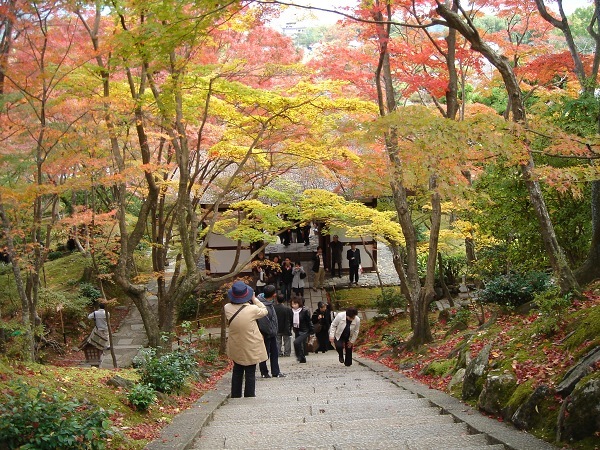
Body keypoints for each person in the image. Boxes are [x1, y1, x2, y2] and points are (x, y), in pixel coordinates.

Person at [224, 281, 268, 398]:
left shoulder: (227, 308)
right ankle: (249, 395)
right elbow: (264, 310)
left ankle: (235, 395)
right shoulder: (252, 309)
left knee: (237, 370)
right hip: (250, 343)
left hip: (236, 344)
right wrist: (254, 299)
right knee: (250, 371)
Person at [257, 285, 285, 378]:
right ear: (273, 294)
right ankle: (264, 372)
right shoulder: (263, 305)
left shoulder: (268, 302)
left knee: (275, 352)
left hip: (272, 333)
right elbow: (264, 322)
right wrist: (270, 331)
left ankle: (275, 371)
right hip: (266, 333)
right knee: (265, 353)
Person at [291, 297, 313, 363]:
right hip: (297, 329)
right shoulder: (291, 311)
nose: (294, 306)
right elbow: (290, 321)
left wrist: (311, 330)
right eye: (292, 304)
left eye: (295, 304)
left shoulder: (304, 311)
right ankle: (301, 357)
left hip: (305, 330)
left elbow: (309, 321)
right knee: (298, 344)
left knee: (296, 342)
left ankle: (300, 356)